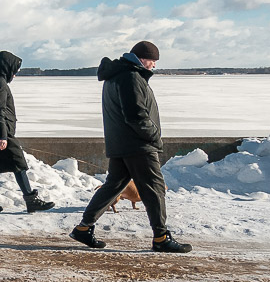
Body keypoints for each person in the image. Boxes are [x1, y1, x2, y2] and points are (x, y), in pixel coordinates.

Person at [69, 41, 192, 253]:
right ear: (143, 59)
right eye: (153, 61)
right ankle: (161, 237)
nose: (154, 65)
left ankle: (83, 227)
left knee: (114, 185)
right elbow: (136, 116)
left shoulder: (117, 75)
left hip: (122, 142)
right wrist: (154, 137)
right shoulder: (130, 77)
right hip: (138, 144)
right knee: (154, 189)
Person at [0, 51, 55, 214]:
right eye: (14, 69)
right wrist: (3, 136)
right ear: (6, 67)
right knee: (18, 163)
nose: (16, 74)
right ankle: (31, 201)